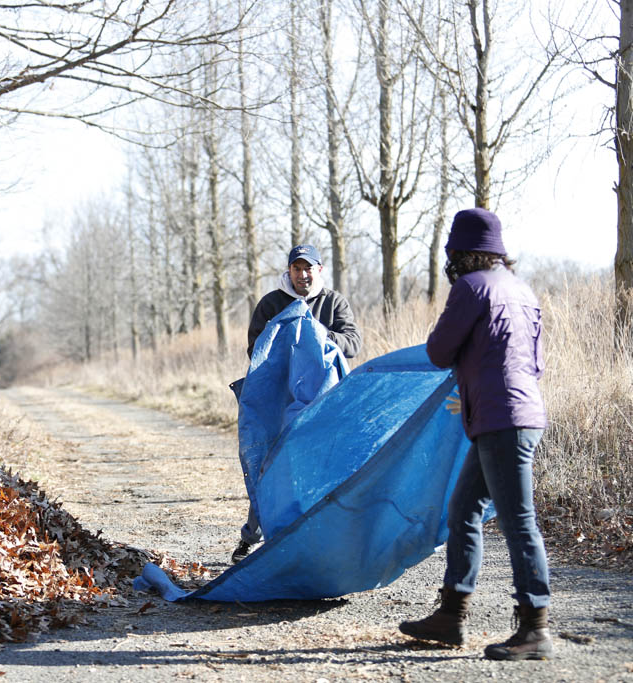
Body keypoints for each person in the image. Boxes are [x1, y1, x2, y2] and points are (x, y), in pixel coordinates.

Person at [398, 207, 553, 661]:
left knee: (518, 519)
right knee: (464, 507)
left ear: (463, 252)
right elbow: (537, 361)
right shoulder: (523, 290)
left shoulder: (471, 287)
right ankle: (451, 616)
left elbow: (438, 350)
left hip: (501, 419)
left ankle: (535, 627)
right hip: (521, 414)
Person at [231, 244, 362, 563]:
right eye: (296, 268)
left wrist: (321, 337)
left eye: (308, 268)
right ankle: (253, 536)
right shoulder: (271, 304)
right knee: (269, 467)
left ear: (319, 270)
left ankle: (326, 542)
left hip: (325, 406)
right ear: (288, 271)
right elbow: (256, 350)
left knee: (326, 471)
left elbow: (353, 344)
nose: (302, 274)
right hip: (278, 405)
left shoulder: (334, 302)